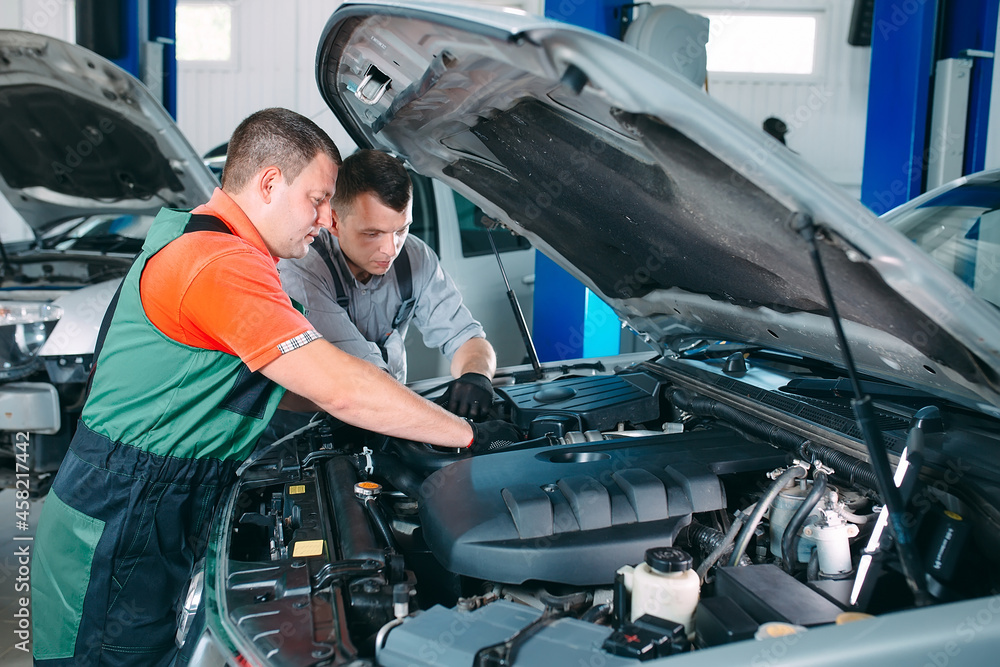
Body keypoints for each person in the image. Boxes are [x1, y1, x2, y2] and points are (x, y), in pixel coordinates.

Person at [30, 108, 519, 666]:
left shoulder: (205, 240)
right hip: (125, 512)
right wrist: (466, 437)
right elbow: (340, 386)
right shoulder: (219, 265)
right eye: (317, 200)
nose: (323, 218)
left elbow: (278, 384)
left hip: (151, 496)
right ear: (268, 183)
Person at [277, 149, 496, 419]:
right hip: (304, 427)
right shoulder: (304, 268)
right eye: (372, 233)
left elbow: (466, 338)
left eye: (401, 230)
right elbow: (360, 380)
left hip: (383, 409)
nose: (390, 250)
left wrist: (476, 375)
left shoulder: (415, 257)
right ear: (334, 221)